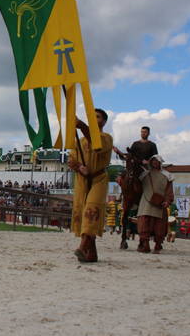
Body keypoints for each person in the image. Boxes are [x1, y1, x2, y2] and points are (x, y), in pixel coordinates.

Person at [68, 108, 113, 263]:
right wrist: (80, 167)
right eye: (92, 116)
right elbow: (71, 159)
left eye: (98, 116)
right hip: (82, 179)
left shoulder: (107, 138)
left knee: (91, 211)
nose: (95, 118)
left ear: (104, 121)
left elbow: (97, 143)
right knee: (82, 212)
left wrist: (82, 126)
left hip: (98, 178)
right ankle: (91, 254)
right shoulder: (79, 143)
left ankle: (81, 247)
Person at [136, 155, 174, 253]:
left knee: (159, 225)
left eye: (157, 161)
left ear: (160, 162)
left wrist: (168, 200)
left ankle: (158, 245)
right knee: (144, 223)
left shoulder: (167, 175)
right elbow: (137, 188)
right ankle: (145, 244)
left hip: (160, 202)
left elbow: (169, 190)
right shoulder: (144, 174)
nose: (155, 163)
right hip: (145, 202)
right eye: (153, 161)